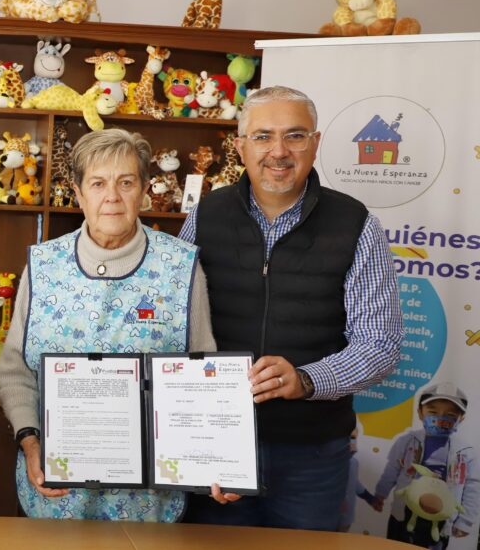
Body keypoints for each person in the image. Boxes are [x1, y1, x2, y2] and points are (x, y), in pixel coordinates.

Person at [179, 86, 403, 530]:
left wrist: (306, 379)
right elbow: (174, 326)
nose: (278, 152)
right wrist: (192, 440)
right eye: (263, 136)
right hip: (217, 446)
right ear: (240, 146)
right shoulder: (204, 217)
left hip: (313, 456)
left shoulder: (356, 225)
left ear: (315, 144)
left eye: (295, 136)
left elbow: (381, 344)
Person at [0, 128, 217, 521]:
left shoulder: (180, 267)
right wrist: (31, 444)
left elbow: (203, 377)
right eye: (97, 183)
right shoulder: (45, 265)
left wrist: (214, 460)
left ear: (145, 189)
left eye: (126, 182)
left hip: (149, 503)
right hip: (55, 495)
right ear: (78, 193)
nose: (112, 196)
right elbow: (16, 369)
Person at [371, 382, 477, 548]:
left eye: (450, 415)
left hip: (440, 518)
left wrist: (465, 521)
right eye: (433, 412)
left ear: (461, 418)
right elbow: (393, 469)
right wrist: (380, 494)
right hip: (404, 512)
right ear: (420, 412)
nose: (441, 419)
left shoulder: (466, 452)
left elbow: (472, 486)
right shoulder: (407, 442)